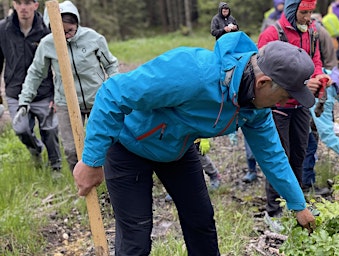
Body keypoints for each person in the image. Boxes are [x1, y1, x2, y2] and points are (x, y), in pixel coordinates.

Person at [73, 32, 317, 255]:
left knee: (201, 221)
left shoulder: (254, 107)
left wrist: (298, 204)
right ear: (263, 82)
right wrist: (92, 161)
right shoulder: (191, 72)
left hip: (176, 150)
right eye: (285, 96)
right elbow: (113, 93)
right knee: (136, 236)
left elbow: (272, 155)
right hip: (129, 146)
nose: (284, 103)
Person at [17, 0, 119, 172]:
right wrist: (24, 100)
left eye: (69, 31)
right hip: (66, 103)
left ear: (77, 24)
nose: (66, 36)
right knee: (72, 150)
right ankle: (83, 188)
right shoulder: (47, 44)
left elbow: (111, 64)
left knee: (106, 146)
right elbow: (35, 73)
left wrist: (114, 87)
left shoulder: (93, 38)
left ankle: (110, 182)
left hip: (97, 99)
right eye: (60, 33)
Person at [258, 0, 332, 220]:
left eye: (311, 12)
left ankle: (296, 204)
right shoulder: (272, 34)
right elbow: (260, 71)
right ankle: (274, 210)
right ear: (291, 11)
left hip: (301, 104)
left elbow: (315, 60)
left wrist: (319, 76)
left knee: (299, 154)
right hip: (277, 106)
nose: (309, 17)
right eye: (304, 12)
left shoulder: (312, 32)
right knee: (279, 156)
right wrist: (301, 84)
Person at [0, 0, 61, 170]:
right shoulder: (3, 29)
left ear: (36, 5)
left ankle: (56, 166)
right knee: (21, 129)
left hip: (43, 92)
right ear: (13, 4)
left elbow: (58, 65)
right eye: (19, 3)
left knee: (50, 130)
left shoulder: (47, 29)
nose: (23, 7)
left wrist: (57, 95)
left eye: (27, 3)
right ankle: (36, 150)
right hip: (14, 92)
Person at [302, 67, 339, 193]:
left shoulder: (330, 76)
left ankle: (304, 184)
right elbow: (325, 130)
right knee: (308, 147)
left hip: (299, 111)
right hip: (295, 113)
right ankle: (306, 186)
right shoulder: (326, 92)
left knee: (307, 145)